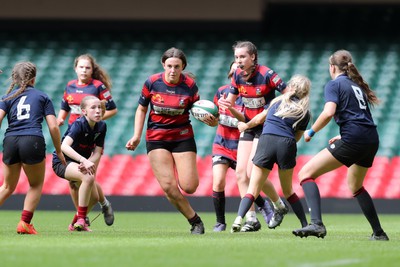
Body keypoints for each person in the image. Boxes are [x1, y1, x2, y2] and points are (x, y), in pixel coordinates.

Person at [292, 50, 389, 241]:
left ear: (332, 67)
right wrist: (342, 135)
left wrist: (311, 132)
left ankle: (316, 224)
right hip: (370, 139)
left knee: (305, 174)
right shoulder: (356, 86)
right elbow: (361, 118)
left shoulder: (334, 84)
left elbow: (329, 112)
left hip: (355, 138)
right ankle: (379, 233)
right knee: (356, 186)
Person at [126, 47, 215, 234]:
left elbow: (197, 111)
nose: (173, 70)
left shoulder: (190, 86)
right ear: (163, 65)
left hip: (182, 137)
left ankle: (194, 218)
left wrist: (211, 121)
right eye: (169, 66)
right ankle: (195, 221)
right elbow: (141, 109)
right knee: (169, 187)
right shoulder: (152, 83)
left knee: (190, 187)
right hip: (157, 138)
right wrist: (136, 135)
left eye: (177, 66)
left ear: (183, 67)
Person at [218, 40, 289, 231]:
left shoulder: (267, 74)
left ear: (253, 57)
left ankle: (278, 205)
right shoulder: (238, 77)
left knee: (252, 172)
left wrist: (271, 108)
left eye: (242, 57)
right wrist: (225, 106)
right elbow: (230, 103)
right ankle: (251, 219)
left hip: (267, 127)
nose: (239, 61)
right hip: (249, 126)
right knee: (241, 173)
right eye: (236, 57)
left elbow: (289, 94)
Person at [231, 74, 311, 232]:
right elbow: (297, 137)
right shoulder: (304, 112)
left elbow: (258, 120)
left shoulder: (277, 102)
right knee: (288, 191)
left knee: (253, 189)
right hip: (286, 143)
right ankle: (305, 225)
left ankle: (238, 220)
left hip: (266, 140)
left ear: (291, 87)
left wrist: (245, 126)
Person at [0, 61, 66, 234]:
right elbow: (53, 126)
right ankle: (25, 223)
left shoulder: (7, 97)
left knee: (7, 187)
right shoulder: (42, 96)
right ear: (33, 79)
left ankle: (25, 224)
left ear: (15, 79)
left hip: (10, 140)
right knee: (35, 184)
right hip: (32, 140)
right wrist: (59, 151)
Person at [211, 62, 274, 232]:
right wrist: (209, 119)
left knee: (246, 178)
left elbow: (251, 122)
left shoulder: (250, 96)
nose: (236, 75)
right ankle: (220, 222)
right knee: (218, 181)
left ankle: (259, 211)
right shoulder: (222, 92)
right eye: (233, 72)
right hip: (222, 143)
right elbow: (215, 117)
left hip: (242, 143)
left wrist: (242, 122)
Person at [57, 54, 116, 226]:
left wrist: (95, 118)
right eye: (81, 67)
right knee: (74, 184)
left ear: (92, 70)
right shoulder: (69, 86)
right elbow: (64, 108)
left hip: (89, 137)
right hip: (74, 136)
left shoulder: (98, 87)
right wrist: (61, 119)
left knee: (88, 178)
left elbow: (112, 109)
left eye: (87, 67)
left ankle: (101, 205)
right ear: (75, 68)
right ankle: (83, 216)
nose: (84, 70)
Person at [53, 95, 107, 231]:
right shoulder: (78, 124)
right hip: (62, 162)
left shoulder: (102, 126)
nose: (98, 111)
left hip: (79, 163)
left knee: (94, 198)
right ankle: (82, 219)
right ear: (84, 111)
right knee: (88, 177)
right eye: (93, 108)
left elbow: (97, 152)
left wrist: (88, 162)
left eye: (99, 107)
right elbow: (64, 146)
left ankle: (74, 224)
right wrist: (83, 160)